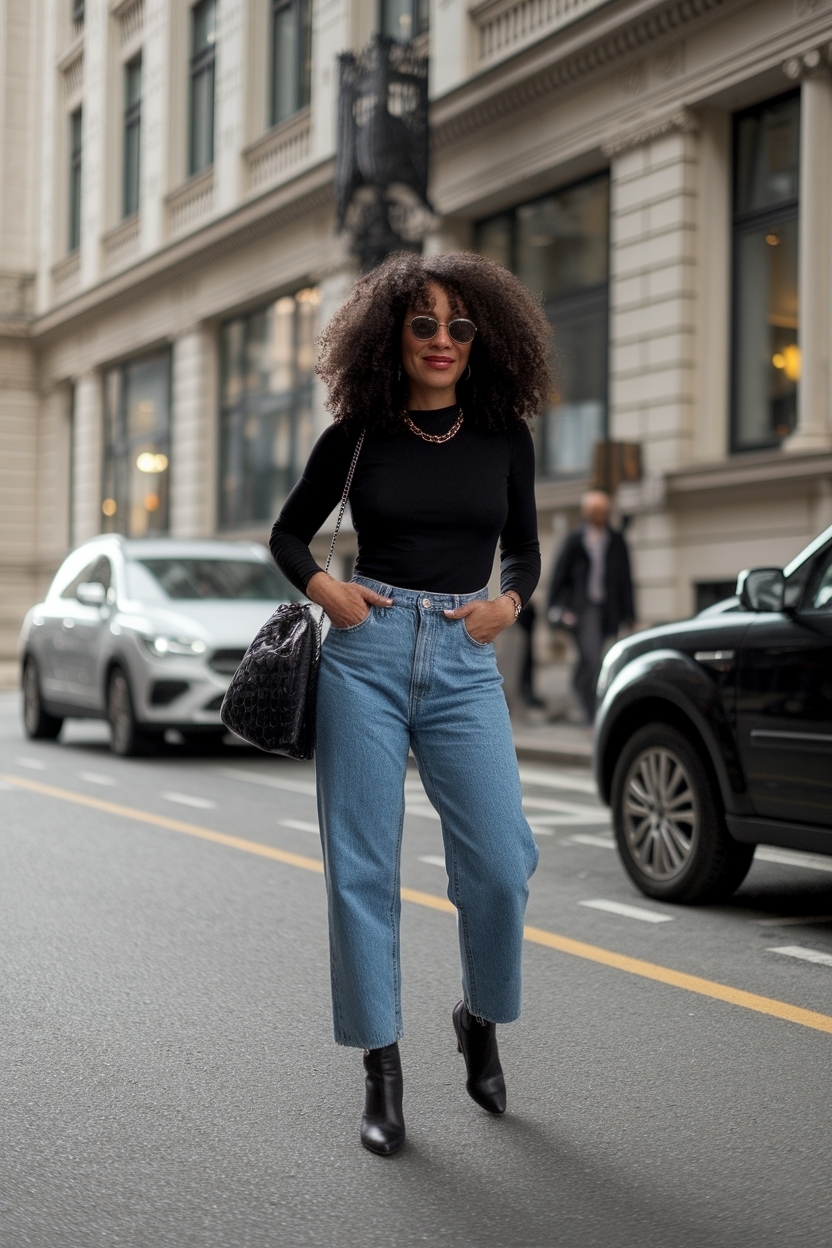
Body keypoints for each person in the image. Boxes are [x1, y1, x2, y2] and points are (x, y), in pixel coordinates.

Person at [270, 251, 550, 1157]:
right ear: (392, 334)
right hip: (369, 652)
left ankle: (480, 1017)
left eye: (458, 326)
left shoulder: (504, 435)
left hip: (465, 658)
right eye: (423, 322)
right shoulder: (357, 434)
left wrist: (510, 603)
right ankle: (381, 1071)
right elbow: (288, 533)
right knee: (361, 869)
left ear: (481, 339)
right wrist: (328, 589)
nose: (441, 340)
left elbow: (525, 550)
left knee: (501, 862)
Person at [547, 490, 635, 722]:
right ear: (586, 513)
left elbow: (625, 579)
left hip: (609, 610)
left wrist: (630, 614)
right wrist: (553, 610)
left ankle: (579, 684)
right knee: (593, 659)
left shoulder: (616, 540)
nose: (600, 515)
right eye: (596, 511)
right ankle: (592, 713)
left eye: (604, 510)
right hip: (583, 610)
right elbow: (559, 577)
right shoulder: (575, 540)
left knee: (594, 659)